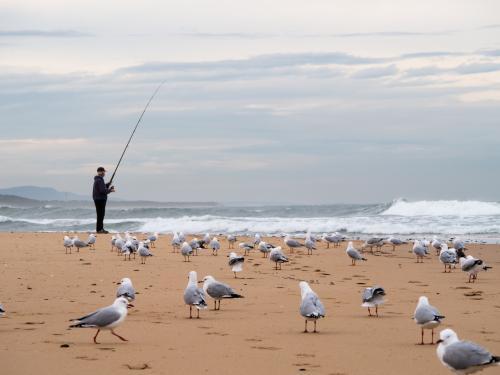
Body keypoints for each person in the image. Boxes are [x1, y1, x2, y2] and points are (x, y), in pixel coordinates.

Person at [92, 167, 115, 234]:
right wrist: (110, 190)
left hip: (98, 199)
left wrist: (108, 184)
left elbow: (102, 187)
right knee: (101, 214)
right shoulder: (99, 180)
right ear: (99, 172)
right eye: (103, 172)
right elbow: (102, 191)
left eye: (104, 172)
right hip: (100, 199)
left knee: (100, 214)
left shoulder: (99, 180)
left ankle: (100, 229)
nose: (104, 173)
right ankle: (100, 230)